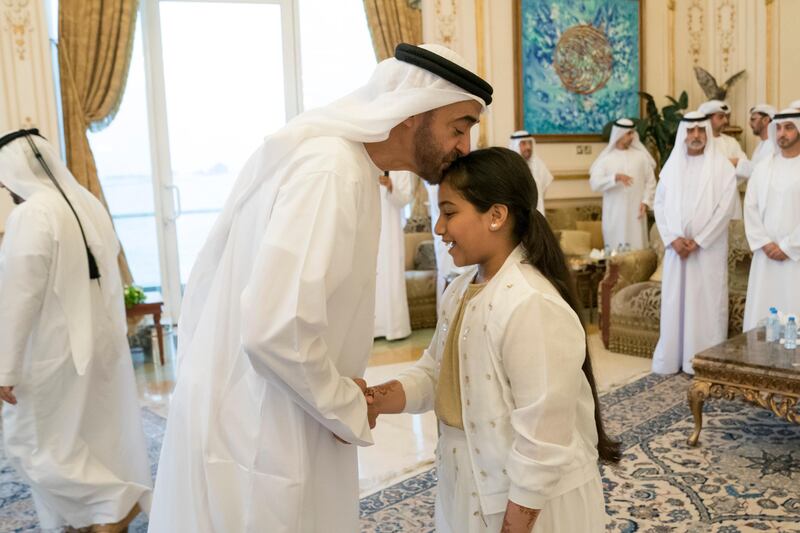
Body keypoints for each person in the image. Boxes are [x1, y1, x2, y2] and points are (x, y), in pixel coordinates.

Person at [148, 43, 493, 533]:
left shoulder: (352, 168)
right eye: (458, 129)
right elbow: (276, 329)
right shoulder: (330, 171)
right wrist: (346, 404)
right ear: (413, 111)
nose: (464, 148)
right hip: (264, 422)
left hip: (285, 404)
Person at [364, 147, 619, 533]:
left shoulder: (531, 304)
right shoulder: (462, 288)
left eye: (449, 213)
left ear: (496, 216)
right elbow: (437, 374)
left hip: (533, 505)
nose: (439, 228)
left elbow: (542, 440)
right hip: (468, 483)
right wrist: (376, 398)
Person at [0, 129, 152, 531]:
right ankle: (81, 521)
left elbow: (18, 297)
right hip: (97, 346)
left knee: (29, 443)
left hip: (50, 351)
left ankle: (114, 503)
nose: (6, 190)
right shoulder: (88, 203)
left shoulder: (33, 213)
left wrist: (5, 370)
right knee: (81, 437)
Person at [652, 112, 738, 375]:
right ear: (683, 134)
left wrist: (699, 240)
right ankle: (673, 358)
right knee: (675, 303)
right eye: (691, 131)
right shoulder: (671, 166)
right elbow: (660, 206)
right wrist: (673, 239)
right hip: (677, 252)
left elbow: (725, 209)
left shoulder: (722, 166)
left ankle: (703, 361)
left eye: (701, 130)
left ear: (707, 133)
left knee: (706, 304)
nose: (696, 136)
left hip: (707, 252)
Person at [743, 109, 800, 330]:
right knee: (763, 316)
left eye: (789, 127)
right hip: (765, 258)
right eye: (779, 128)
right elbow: (751, 207)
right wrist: (765, 243)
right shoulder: (763, 168)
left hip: (795, 258)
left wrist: (788, 246)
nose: (782, 133)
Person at [589, 118, 657, 250]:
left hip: (637, 214)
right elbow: (594, 183)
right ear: (619, 134)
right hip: (615, 216)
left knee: (638, 254)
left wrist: (646, 201)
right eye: (628, 133)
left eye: (633, 133)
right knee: (616, 255)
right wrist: (615, 178)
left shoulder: (641, 157)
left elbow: (651, 181)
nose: (632, 136)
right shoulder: (606, 160)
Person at [374, 170, 415, 340]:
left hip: (391, 232)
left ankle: (395, 328)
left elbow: (406, 198)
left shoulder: (402, 168)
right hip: (370, 229)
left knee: (391, 276)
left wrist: (391, 186)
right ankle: (373, 329)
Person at [508, 130, 554, 215]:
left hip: (537, 212)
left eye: (530, 143)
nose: (528, 147)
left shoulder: (539, 164)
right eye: (524, 144)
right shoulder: (509, 166)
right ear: (515, 145)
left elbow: (544, 188)